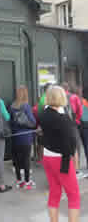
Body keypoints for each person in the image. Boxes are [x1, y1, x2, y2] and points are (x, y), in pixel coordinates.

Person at [39, 85, 80, 222]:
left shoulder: (43, 113)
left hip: (47, 156)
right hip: (61, 159)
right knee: (73, 195)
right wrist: (74, 159)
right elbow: (72, 142)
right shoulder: (63, 119)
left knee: (55, 192)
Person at [10, 86, 36, 190]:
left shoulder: (12, 106)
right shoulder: (26, 106)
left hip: (15, 136)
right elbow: (33, 122)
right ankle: (27, 181)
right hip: (25, 136)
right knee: (26, 159)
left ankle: (19, 181)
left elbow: (10, 121)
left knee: (17, 160)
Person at [61, 82, 83, 172]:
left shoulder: (58, 97)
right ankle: (76, 169)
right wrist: (77, 120)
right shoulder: (74, 97)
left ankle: (65, 167)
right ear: (68, 88)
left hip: (61, 124)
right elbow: (80, 111)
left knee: (62, 145)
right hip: (72, 124)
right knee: (76, 145)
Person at [75, 86, 88, 168]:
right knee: (86, 145)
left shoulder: (72, 100)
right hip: (85, 126)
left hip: (77, 126)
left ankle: (77, 165)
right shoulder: (84, 101)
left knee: (77, 147)